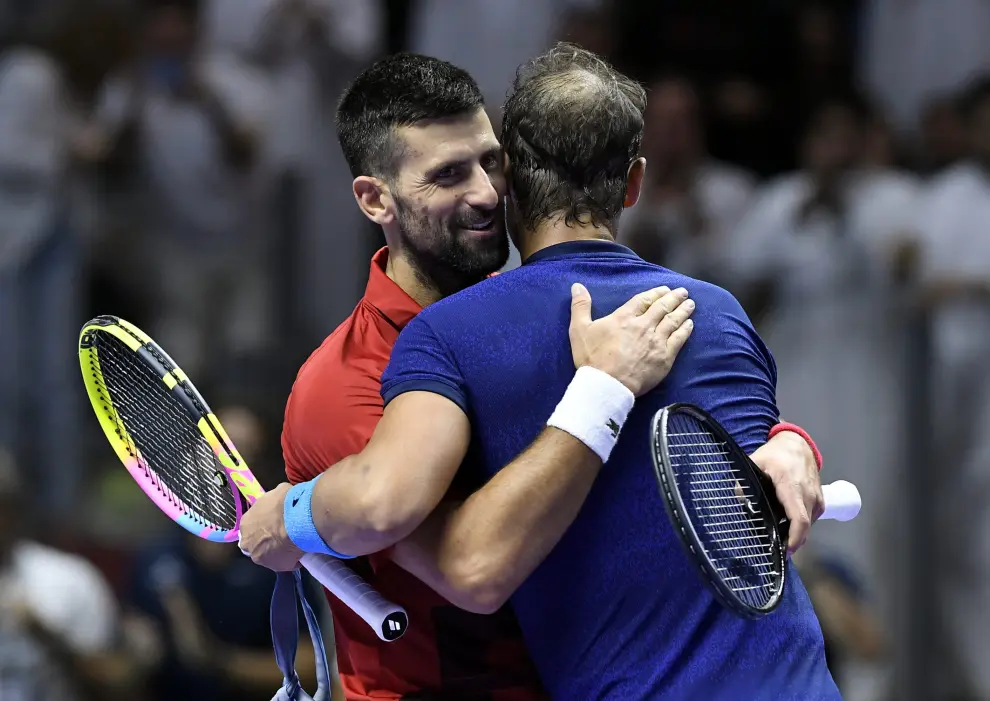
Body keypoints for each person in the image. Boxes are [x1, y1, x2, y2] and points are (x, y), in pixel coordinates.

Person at [240, 51, 825, 700]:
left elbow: (679, 438)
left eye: (492, 163)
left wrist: (787, 442)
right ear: (376, 198)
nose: (487, 193)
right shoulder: (342, 387)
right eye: (449, 174)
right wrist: (293, 516)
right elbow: (453, 555)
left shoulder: (542, 319)